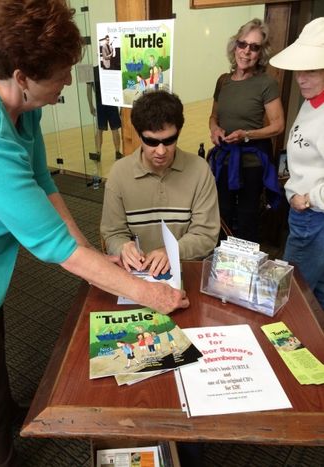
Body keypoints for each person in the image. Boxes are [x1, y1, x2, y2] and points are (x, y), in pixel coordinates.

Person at [0, 2, 189, 466]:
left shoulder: (21, 104)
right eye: (60, 74)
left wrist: (94, 252)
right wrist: (148, 295)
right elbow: (53, 246)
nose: (69, 83)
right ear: (23, 76)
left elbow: (44, 184)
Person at [100, 90, 220, 277]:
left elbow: (206, 235)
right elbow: (112, 233)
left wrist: (172, 252)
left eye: (169, 140)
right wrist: (123, 247)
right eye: (151, 142)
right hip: (138, 272)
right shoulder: (119, 173)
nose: (161, 151)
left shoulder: (199, 170)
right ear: (139, 135)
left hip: (185, 269)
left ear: (178, 132)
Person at [208, 18, 285, 242]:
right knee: (222, 214)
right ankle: (221, 266)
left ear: (261, 53)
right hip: (224, 161)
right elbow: (214, 116)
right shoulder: (223, 81)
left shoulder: (266, 83)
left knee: (247, 218)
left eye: (254, 47)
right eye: (243, 44)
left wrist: (246, 135)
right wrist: (214, 129)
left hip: (251, 164)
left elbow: (278, 125)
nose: (246, 52)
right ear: (235, 46)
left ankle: (245, 270)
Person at [270, 17, 324, 309]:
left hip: (314, 217)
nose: (301, 78)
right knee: (316, 296)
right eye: (301, 70)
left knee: (290, 298)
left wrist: (309, 198)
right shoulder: (311, 101)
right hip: (310, 217)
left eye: (312, 71)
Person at [87, 65, 123, 161]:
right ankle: (115, 152)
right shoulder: (106, 69)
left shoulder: (110, 69)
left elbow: (89, 89)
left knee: (110, 129)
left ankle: (115, 152)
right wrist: (90, 105)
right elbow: (89, 89)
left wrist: (90, 105)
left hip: (109, 103)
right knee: (104, 129)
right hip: (106, 104)